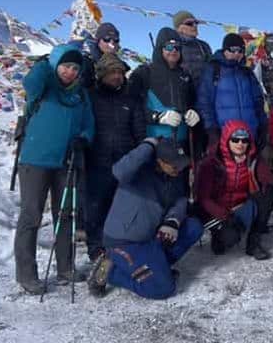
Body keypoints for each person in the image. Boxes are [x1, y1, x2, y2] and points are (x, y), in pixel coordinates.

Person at [14, 43, 95, 294]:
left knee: (66, 215)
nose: (70, 72)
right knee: (31, 216)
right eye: (65, 66)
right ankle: (27, 275)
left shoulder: (81, 95)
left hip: (66, 162)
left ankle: (65, 267)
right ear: (55, 65)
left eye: (75, 68)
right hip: (35, 161)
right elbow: (29, 84)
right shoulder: (44, 86)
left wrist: (83, 138)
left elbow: (88, 124)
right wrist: (43, 65)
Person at [87, 138, 203, 299]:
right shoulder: (137, 170)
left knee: (193, 226)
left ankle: (157, 269)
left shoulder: (174, 175)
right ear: (159, 161)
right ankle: (112, 272)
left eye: (181, 164)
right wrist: (148, 145)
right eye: (174, 165)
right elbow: (119, 171)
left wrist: (172, 221)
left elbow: (180, 200)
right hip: (125, 240)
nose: (179, 168)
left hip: (149, 237)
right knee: (163, 289)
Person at [84, 53, 147, 262]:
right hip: (97, 161)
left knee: (121, 207)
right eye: (112, 72)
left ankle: (119, 248)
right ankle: (96, 249)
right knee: (95, 207)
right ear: (102, 74)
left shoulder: (131, 98)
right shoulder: (90, 97)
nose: (117, 76)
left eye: (120, 72)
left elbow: (139, 131)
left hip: (125, 161)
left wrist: (140, 157)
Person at [195, 121, 273, 260]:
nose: (240, 144)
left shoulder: (252, 159)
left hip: (241, 206)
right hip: (217, 210)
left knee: (267, 195)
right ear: (227, 140)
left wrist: (268, 185)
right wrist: (226, 217)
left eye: (245, 140)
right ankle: (218, 235)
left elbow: (267, 179)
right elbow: (204, 199)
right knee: (229, 239)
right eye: (235, 139)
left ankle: (254, 241)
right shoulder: (211, 162)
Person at [128, 27, 201, 147]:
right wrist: (157, 117)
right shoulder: (144, 73)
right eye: (169, 47)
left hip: (183, 141)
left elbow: (193, 102)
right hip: (153, 142)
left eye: (177, 47)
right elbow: (132, 105)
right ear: (159, 48)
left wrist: (194, 112)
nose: (174, 51)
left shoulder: (185, 75)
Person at [196, 33, 267, 153]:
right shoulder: (213, 70)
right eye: (233, 50)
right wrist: (211, 130)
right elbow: (204, 102)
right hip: (225, 136)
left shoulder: (247, 72)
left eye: (240, 51)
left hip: (249, 135)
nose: (237, 54)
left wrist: (263, 125)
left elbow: (258, 102)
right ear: (225, 50)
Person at [171, 10, 213, 89]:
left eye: (196, 23)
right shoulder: (172, 46)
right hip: (182, 93)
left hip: (204, 93)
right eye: (189, 23)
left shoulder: (204, 46)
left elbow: (212, 72)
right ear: (179, 28)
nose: (195, 26)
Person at [80, 22, 128, 89]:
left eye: (116, 40)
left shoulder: (121, 65)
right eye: (106, 39)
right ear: (98, 41)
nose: (111, 42)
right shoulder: (86, 63)